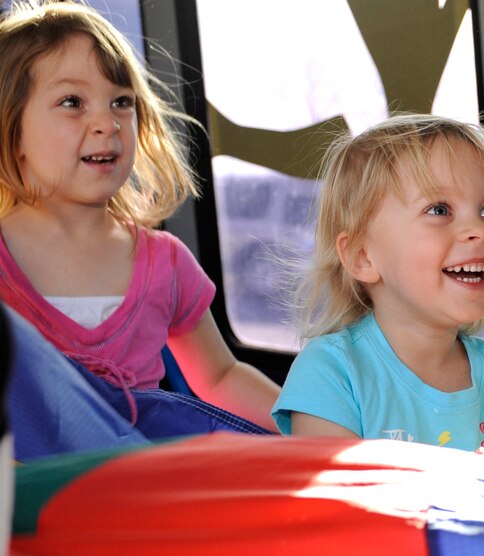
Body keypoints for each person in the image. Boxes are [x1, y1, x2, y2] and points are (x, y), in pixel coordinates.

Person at [0, 0, 281, 449]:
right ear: (11, 133)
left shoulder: (164, 262)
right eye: (72, 102)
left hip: (139, 488)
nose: (106, 123)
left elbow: (221, 375)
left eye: (121, 102)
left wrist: (315, 427)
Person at [272, 114, 484, 464]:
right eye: (439, 210)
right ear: (363, 257)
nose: (481, 231)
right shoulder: (332, 373)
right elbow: (339, 511)